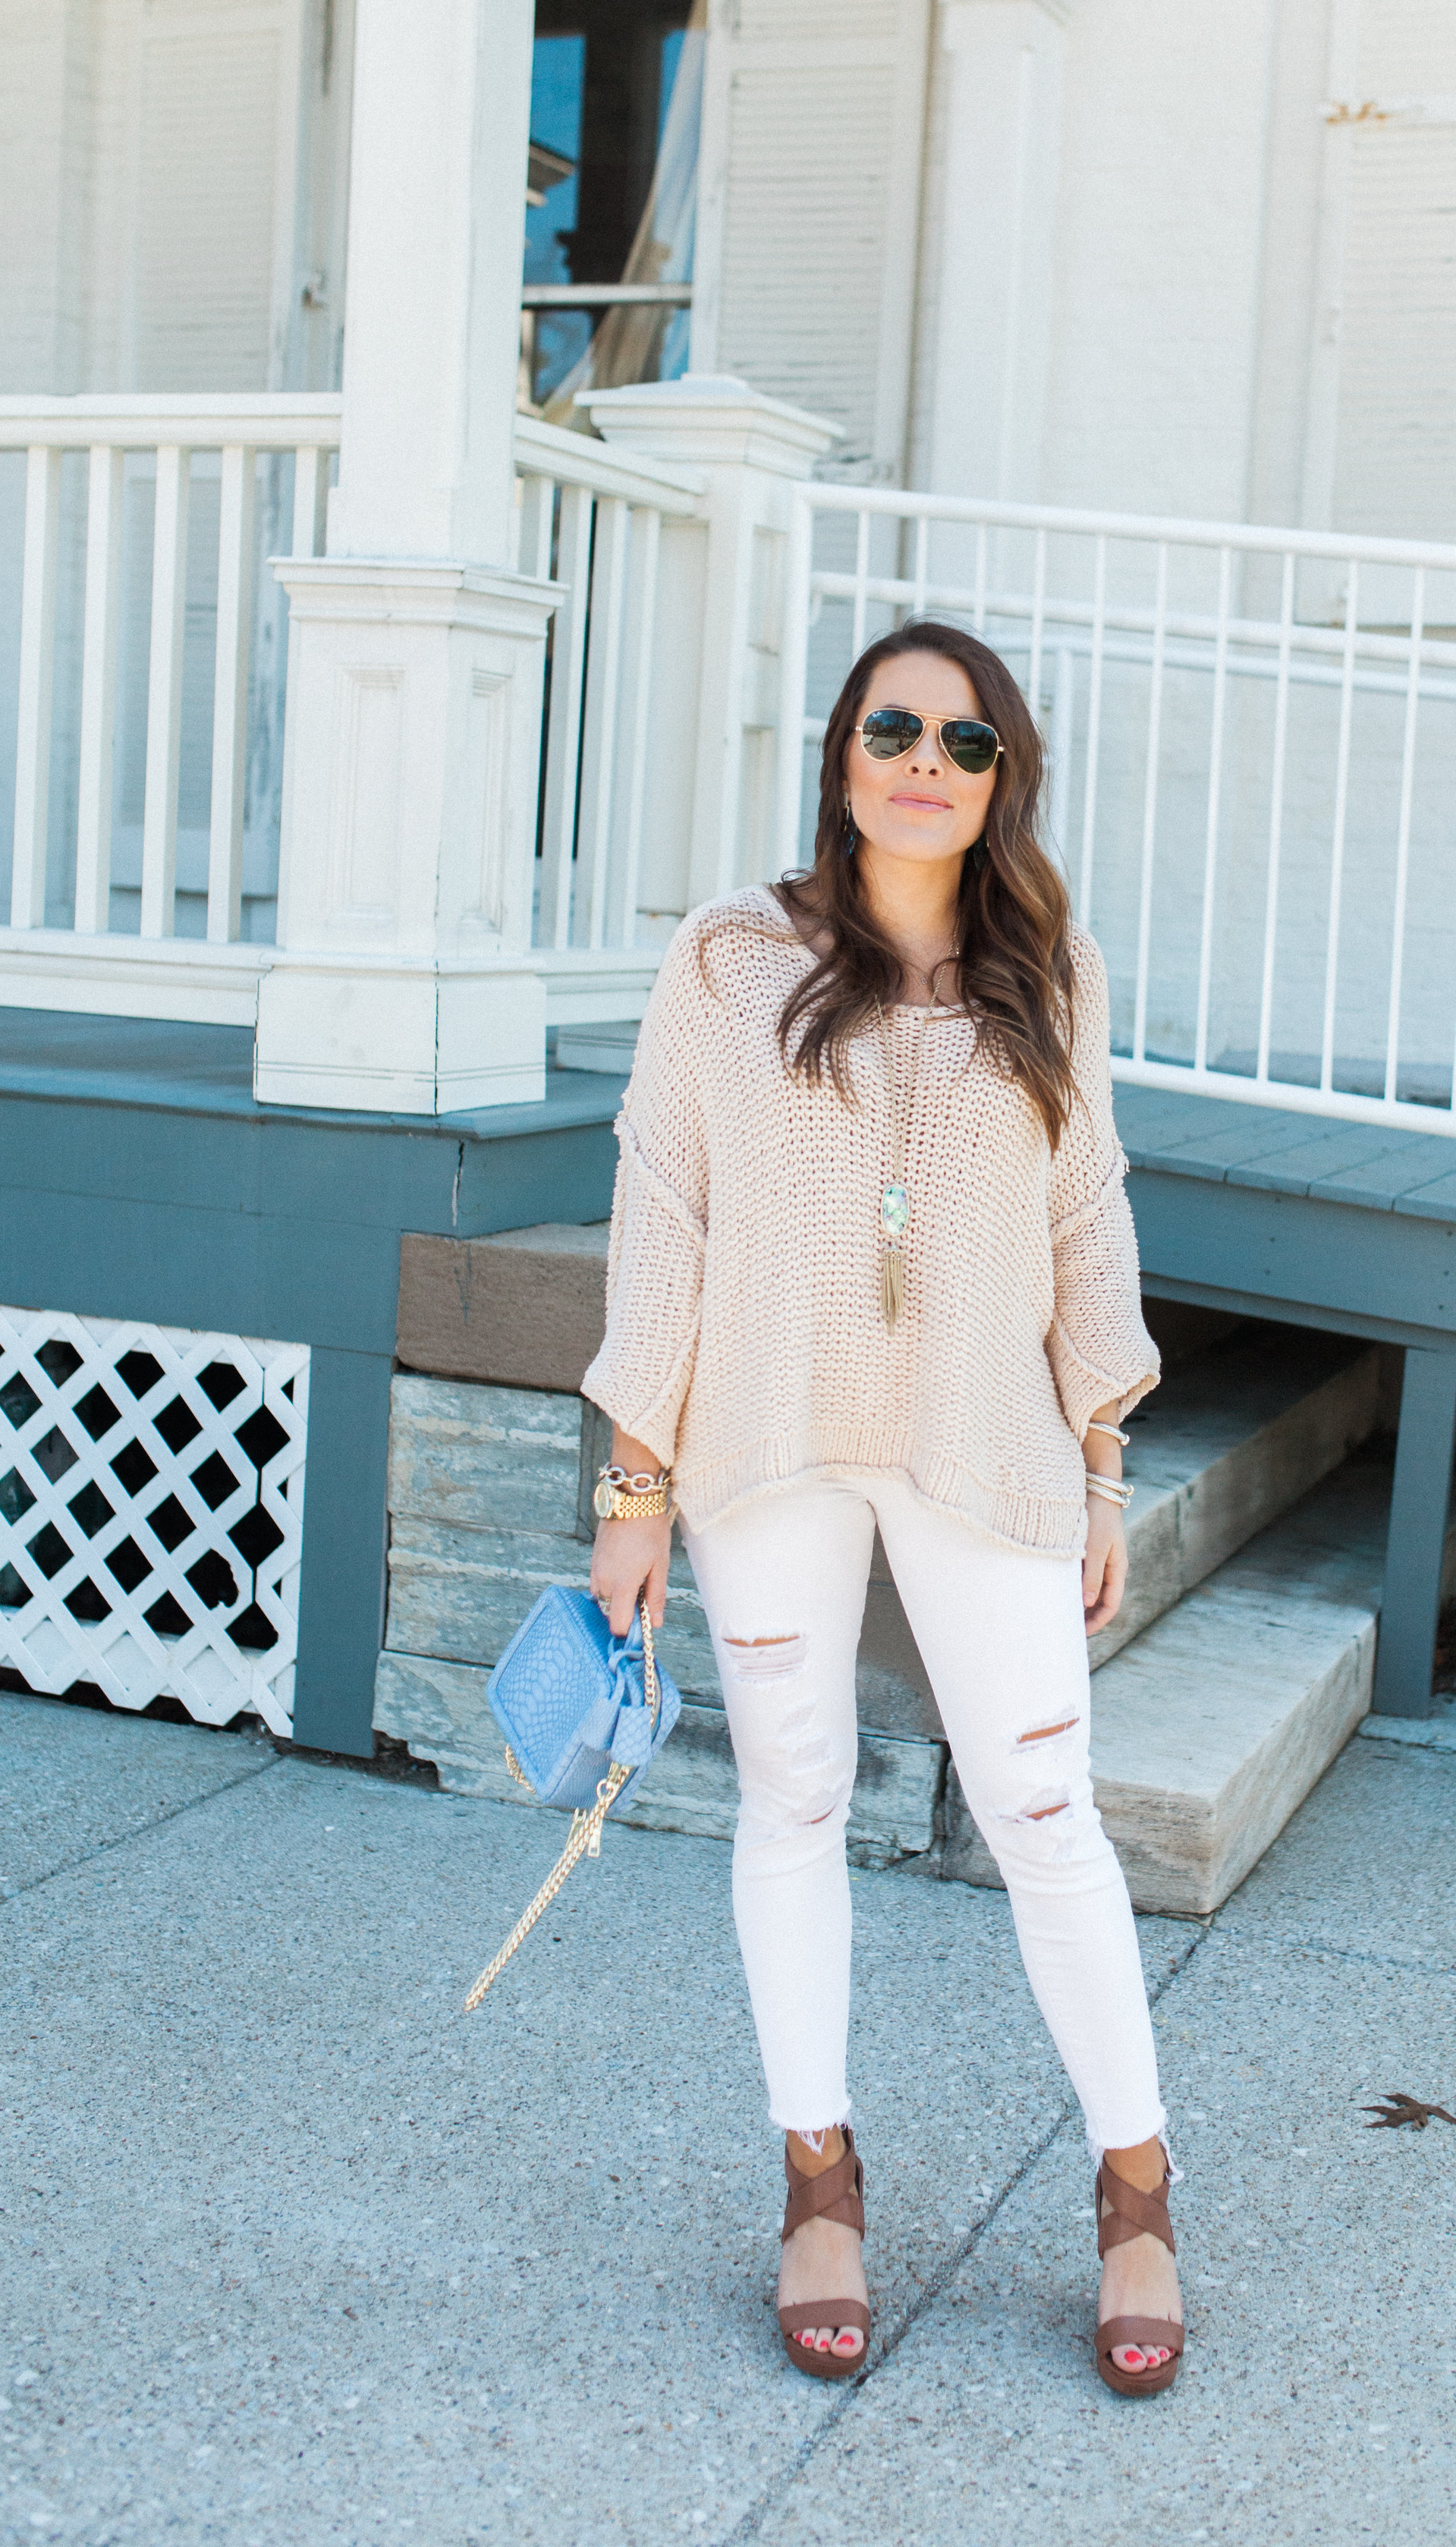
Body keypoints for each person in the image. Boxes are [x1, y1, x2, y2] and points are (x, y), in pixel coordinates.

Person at [581, 618, 1185, 2398]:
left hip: (986, 1447)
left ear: (1002, 781)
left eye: (966, 739)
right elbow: (661, 1215)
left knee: (1041, 1805)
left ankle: (1136, 2185)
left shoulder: (1044, 967)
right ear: (841, 753)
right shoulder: (723, 961)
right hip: (760, 1443)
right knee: (793, 1792)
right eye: (892, 724)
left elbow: (1086, 1218)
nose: (925, 756)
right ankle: (815, 2177)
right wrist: (632, 1479)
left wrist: (1099, 1459)